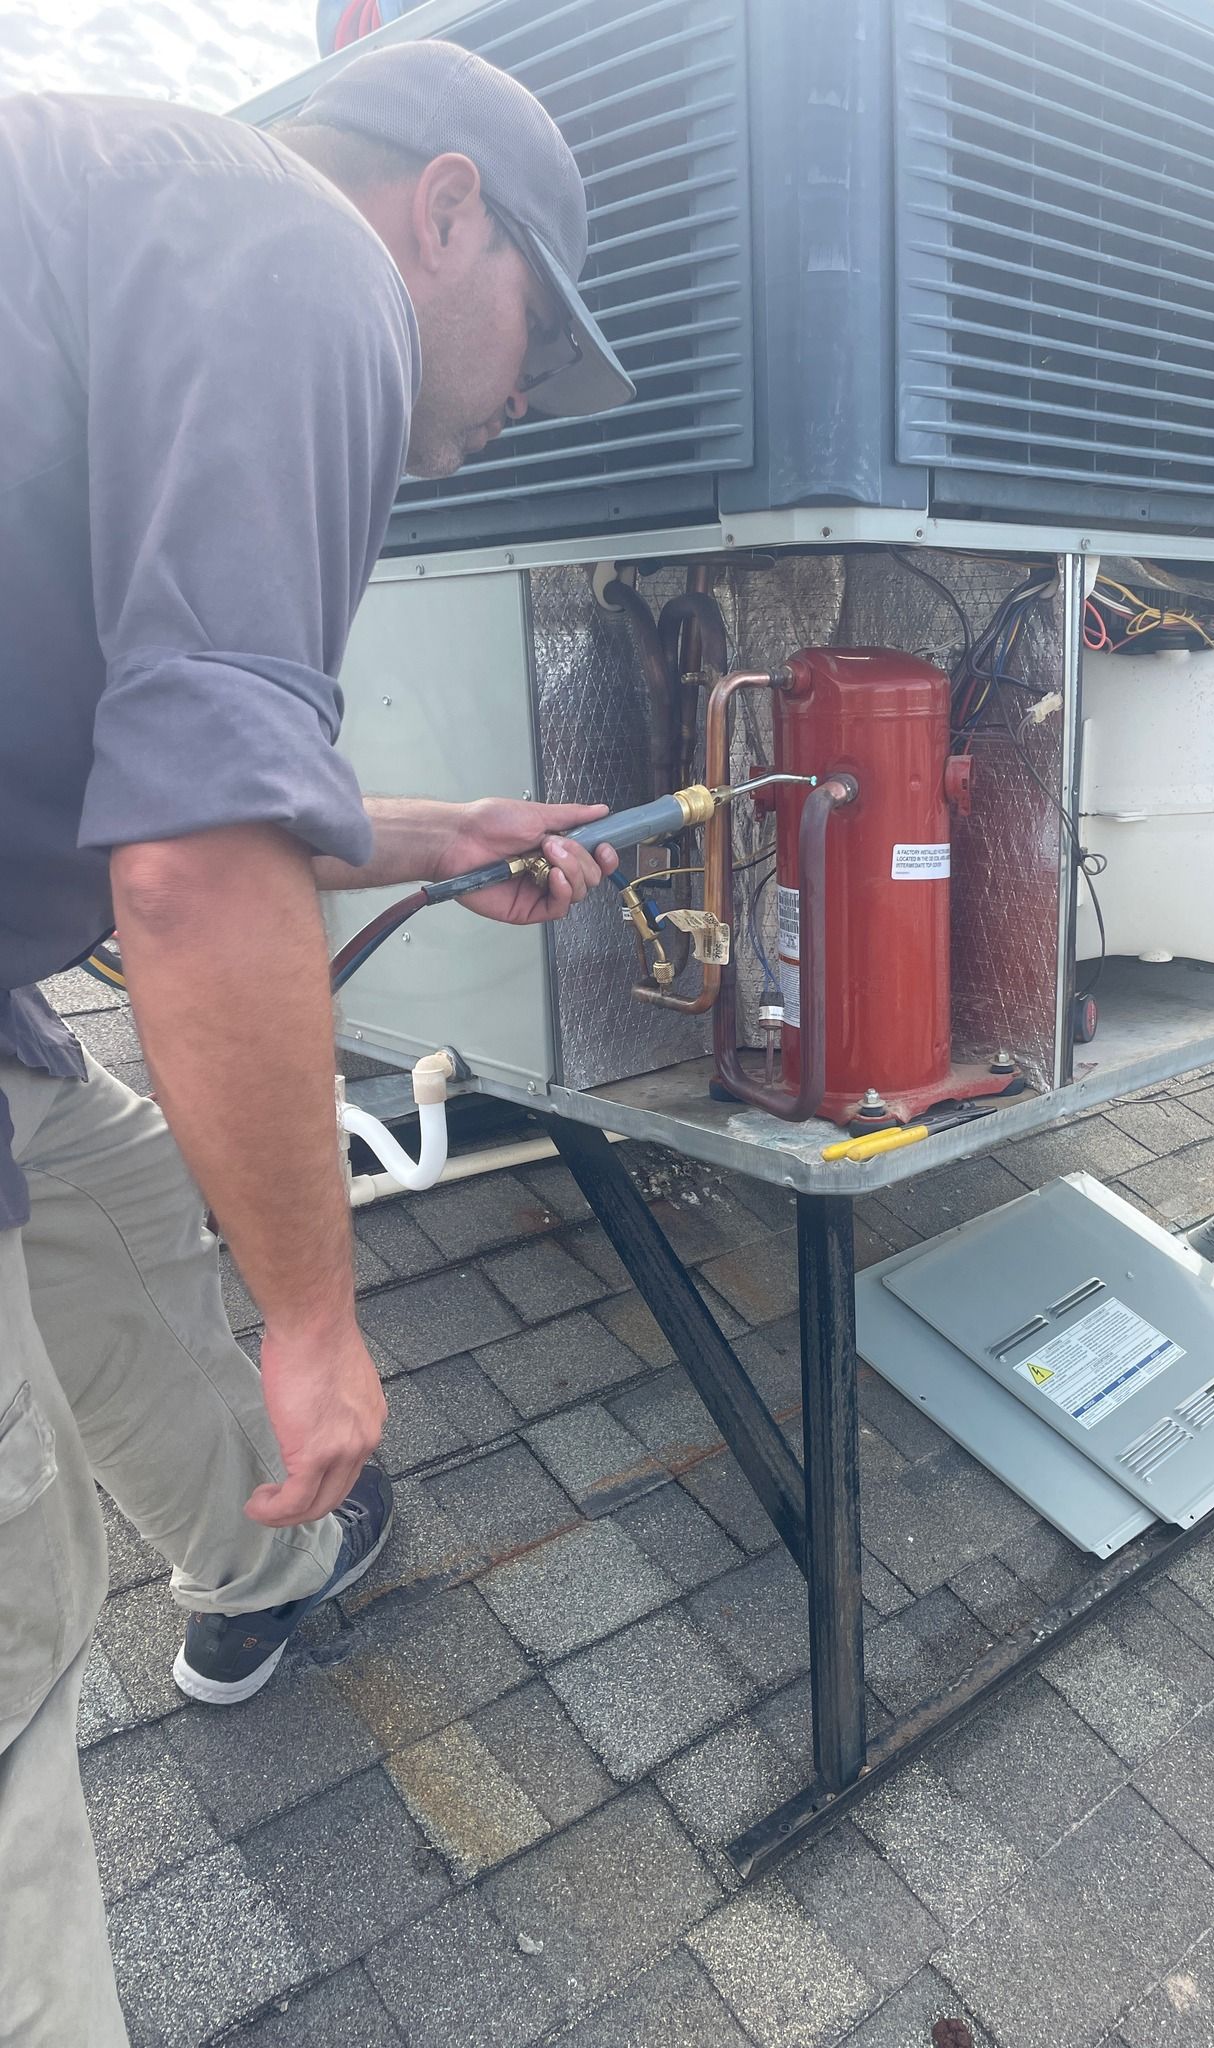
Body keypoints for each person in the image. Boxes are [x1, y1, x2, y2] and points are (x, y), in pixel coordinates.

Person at [0, 39, 625, 2044]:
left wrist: (437, 834)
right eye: (541, 344)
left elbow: (185, 765)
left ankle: (257, 1569)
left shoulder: (123, 216)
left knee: (110, 1196)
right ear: (444, 211)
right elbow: (192, 867)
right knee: (12, 1650)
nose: (524, 407)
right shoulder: (302, 261)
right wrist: (317, 1317)